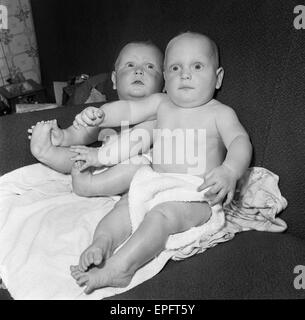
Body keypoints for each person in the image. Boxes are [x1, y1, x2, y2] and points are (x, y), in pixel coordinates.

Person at [69, 32, 253, 294]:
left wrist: (229, 170)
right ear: (165, 79)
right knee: (123, 208)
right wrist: (99, 114)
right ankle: (102, 243)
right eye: (176, 68)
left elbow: (239, 141)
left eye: (197, 66)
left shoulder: (220, 113)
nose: (185, 74)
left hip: (195, 194)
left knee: (160, 217)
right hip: (153, 182)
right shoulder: (162, 103)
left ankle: (121, 268)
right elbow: (128, 110)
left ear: (218, 77)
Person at [28, 41, 164, 196]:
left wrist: (101, 156)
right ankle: (46, 151)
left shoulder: (161, 110)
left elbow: (137, 141)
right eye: (130, 65)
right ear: (114, 79)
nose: (139, 71)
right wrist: (65, 136)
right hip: (101, 161)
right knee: (79, 158)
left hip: (139, 168)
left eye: (150, 67)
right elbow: (85, 133)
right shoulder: (109, 111)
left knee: (139, 164)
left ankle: (90, 186)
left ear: (164, 83)